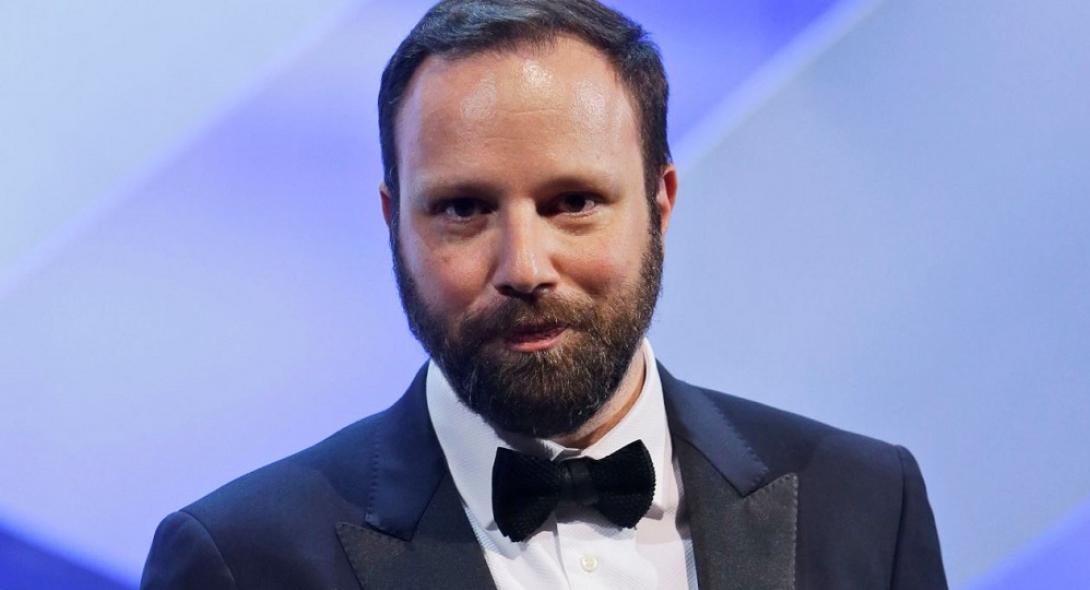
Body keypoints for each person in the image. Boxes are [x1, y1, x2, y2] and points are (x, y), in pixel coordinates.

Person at [141, 1, 947, 588]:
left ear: (661, 202)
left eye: (573, 203)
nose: (524, 266)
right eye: (464, 209)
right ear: (393, 223)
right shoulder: (238, 562)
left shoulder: (867, 506)